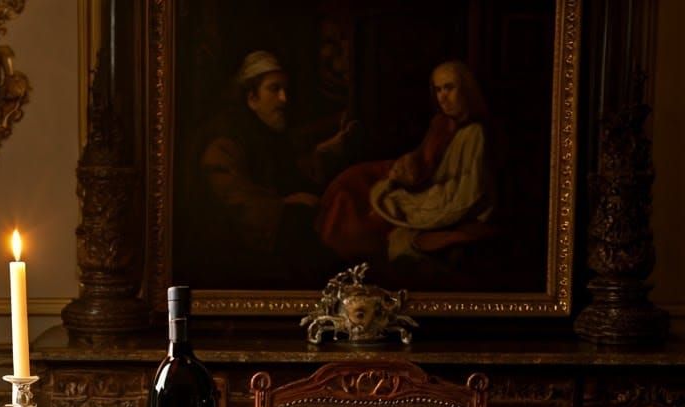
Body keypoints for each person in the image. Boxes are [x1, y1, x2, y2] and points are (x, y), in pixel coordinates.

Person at [185, 51, 354, 285]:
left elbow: (288, 165)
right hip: (236, 251)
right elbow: (236, 201)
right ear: (251, 97)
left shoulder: (263, 131)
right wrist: (285, 206)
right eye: (274, 89)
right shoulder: (225, 140)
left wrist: (324, 152)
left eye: (285, 90)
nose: (284, 99)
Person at [316, 60, 495, 268]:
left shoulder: (475, 134)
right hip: (421, 186)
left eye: (449, 88)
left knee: (369, 214)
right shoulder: (441, 123)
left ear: (466, 90)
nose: (443, 97)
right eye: (438, 90)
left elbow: (464, 193)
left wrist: (407, 194)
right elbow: (425, 162)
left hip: (437, 196)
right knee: (350, 189)